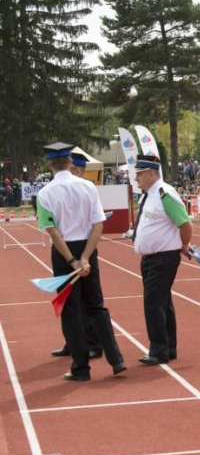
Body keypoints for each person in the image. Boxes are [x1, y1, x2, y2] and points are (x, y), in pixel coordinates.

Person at [37, 142, 125, 381]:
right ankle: (116, 359)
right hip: (88, 247)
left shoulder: (45, 193)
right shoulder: (88, 187)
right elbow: (99, 225)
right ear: (70, 162)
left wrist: (72, 261)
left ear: (49, 164)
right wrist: (85, 257)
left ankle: (81, 368)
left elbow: (54, 232)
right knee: (96, 305)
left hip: (64, 252)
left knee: (71, 310)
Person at [132, 154, 193, 365]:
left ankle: (159, 351)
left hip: (163, 258)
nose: (136, 178)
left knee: (153, 303)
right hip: (152, 258)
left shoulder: (164, 194)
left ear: (151, 174)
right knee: (162, 303)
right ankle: (168, 347)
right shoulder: (150, 195)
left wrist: (184, 245)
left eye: (139, 174)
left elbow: (185, 224)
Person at [49, 150, 104, 359]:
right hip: (68, 248)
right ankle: (72, 342)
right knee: (69, 300)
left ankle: (92, 343)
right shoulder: (59, 189)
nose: (75, 173)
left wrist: (82, 257)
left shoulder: (86, 188)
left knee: (88, 299)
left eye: (78, 170)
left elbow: (96, 224)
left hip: (81, 246)